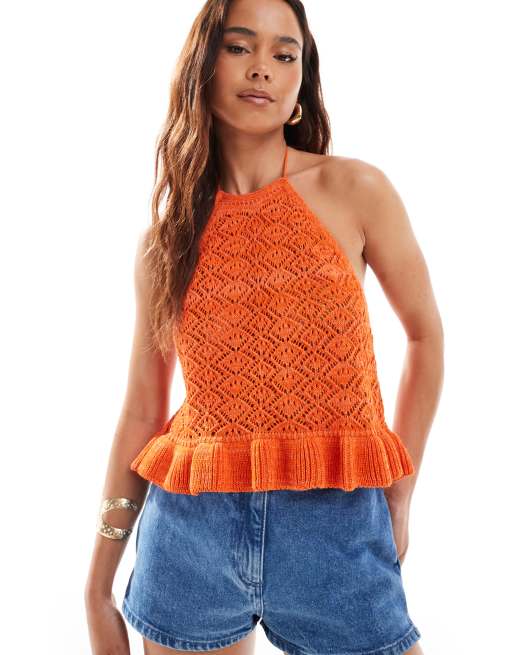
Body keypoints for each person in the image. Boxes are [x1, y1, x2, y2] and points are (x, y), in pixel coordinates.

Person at [85, 1, 444, 654]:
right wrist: (97, 584)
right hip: (190, 536)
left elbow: (424, 336)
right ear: (202, 67)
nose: (262, 69)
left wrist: (400, 493)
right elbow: (142, 410)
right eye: (238, 47)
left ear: (301, 85)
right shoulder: (165, 243)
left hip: (337, 527)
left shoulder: (355, 190)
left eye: (285, 55)